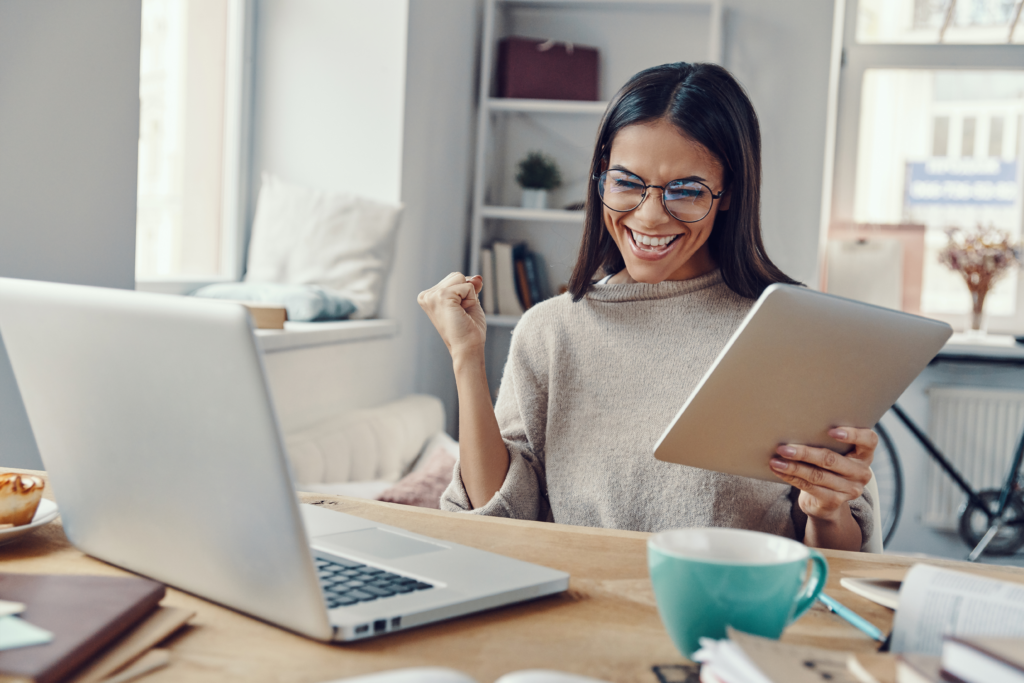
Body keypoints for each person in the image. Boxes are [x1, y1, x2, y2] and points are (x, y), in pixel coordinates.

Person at [418, 62, 876, 552]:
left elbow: (838, 561)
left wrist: (828, 508)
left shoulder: (789, 332)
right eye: (626, 183)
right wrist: (466, 359)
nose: (650, 215)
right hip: (583, 611)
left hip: (732, 617)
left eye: (686, 190)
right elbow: (497, 517)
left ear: (729, 194)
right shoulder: (549, 331)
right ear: (600, 181)